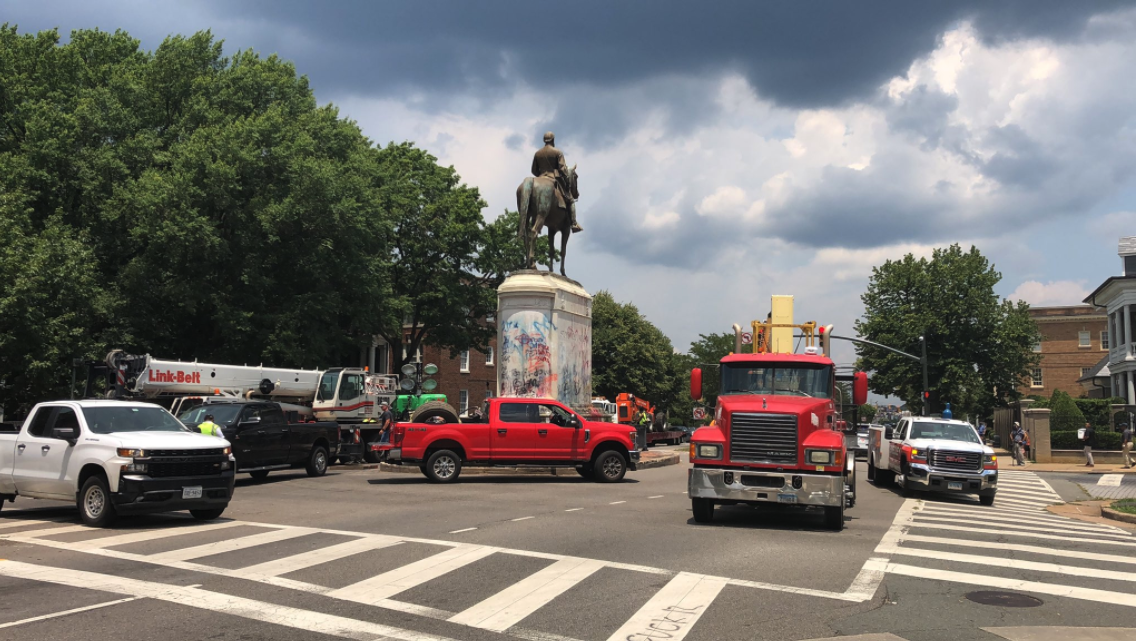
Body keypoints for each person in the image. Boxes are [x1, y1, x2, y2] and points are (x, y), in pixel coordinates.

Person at [532, 131, 583, 232]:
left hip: (540, 177)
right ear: (553, 140)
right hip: (553, 178)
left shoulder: (537, 153)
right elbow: (562, 169)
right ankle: (573, 223)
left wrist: (540, 177)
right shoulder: (557, 152)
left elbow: (533, 170)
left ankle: (533, 220)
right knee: (571, 199)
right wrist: (566, 178)